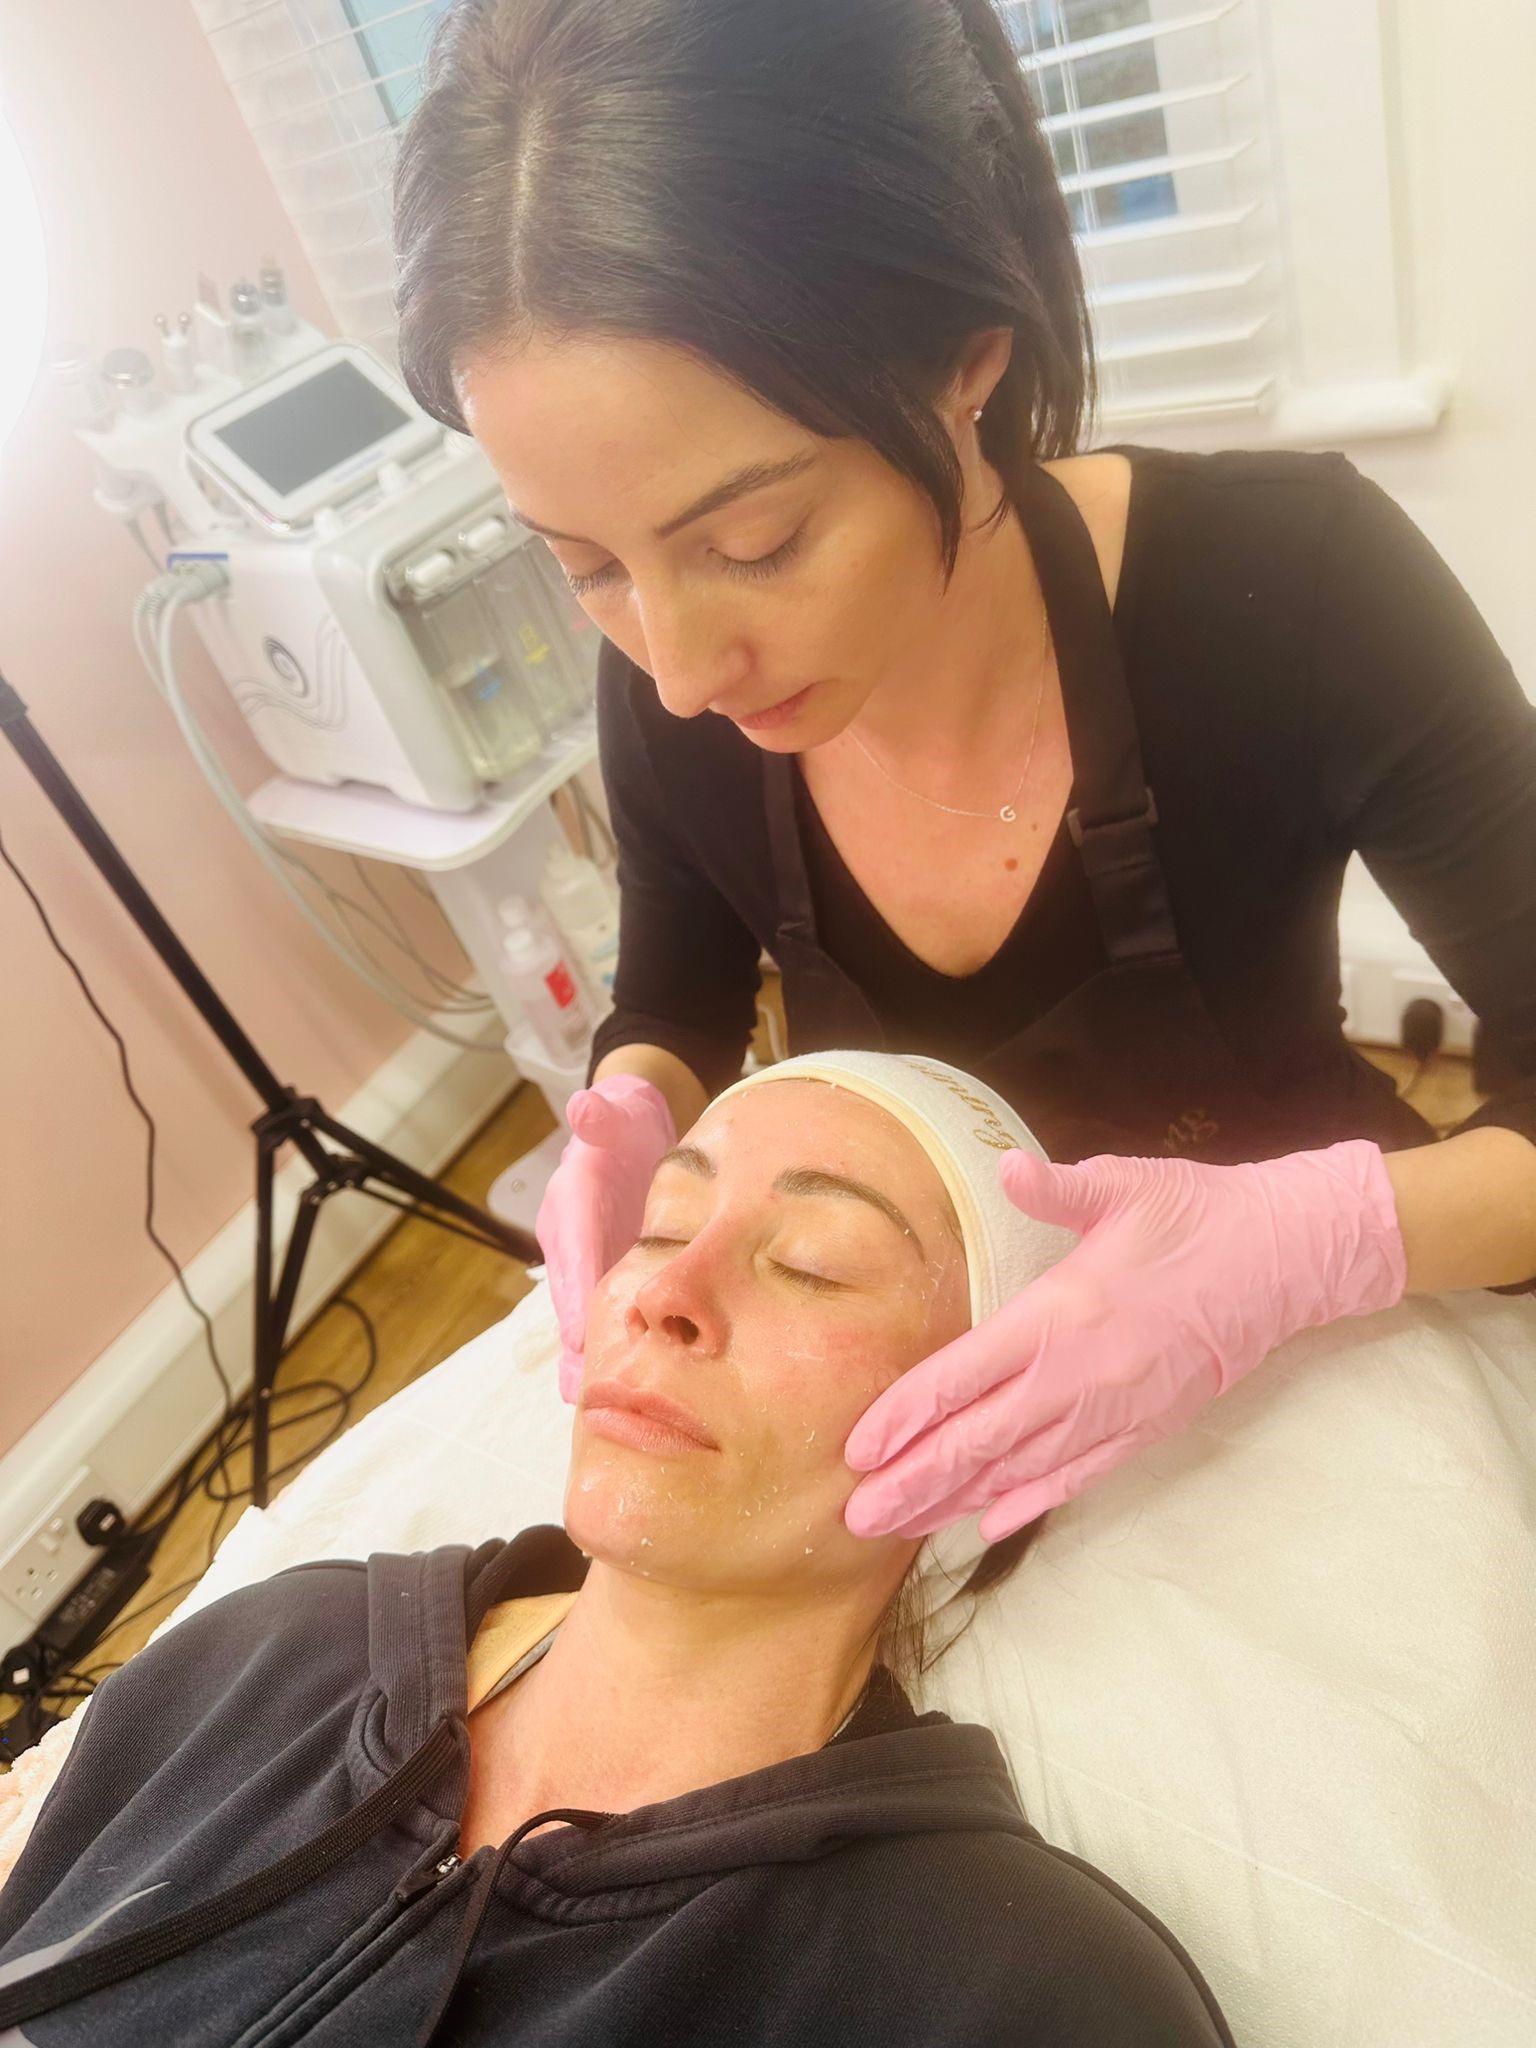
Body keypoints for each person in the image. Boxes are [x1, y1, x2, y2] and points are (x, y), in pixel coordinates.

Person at [391, 0, 1536, 1546]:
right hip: (917, 1355)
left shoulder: (1295, 584)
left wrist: (1314, 1243)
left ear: (966, 359)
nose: (675, 670)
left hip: (1314, 1341)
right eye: (587, 563)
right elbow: (675, 997)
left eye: (754, 543)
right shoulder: (666, 681)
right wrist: (635, 1109)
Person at [0, 1054, 1235, 2046]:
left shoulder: (1014, 1987)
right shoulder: (273, 1648)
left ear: (990, 1424)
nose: (662, 1288)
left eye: (812, 1263)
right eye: (663, 1222)